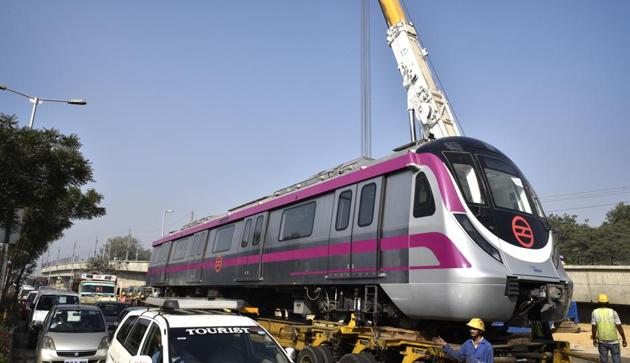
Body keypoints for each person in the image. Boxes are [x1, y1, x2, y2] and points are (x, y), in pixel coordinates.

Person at [591, 293, 627, 363]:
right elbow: (619, 326)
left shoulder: (594, 312)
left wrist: (594, 338)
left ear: (598, 302)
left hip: (602, 341)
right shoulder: (613, 312)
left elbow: (594, 327)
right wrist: (624, 339)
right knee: (616, 360)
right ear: (608, 302)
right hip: (613, 341)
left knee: (603, 360)